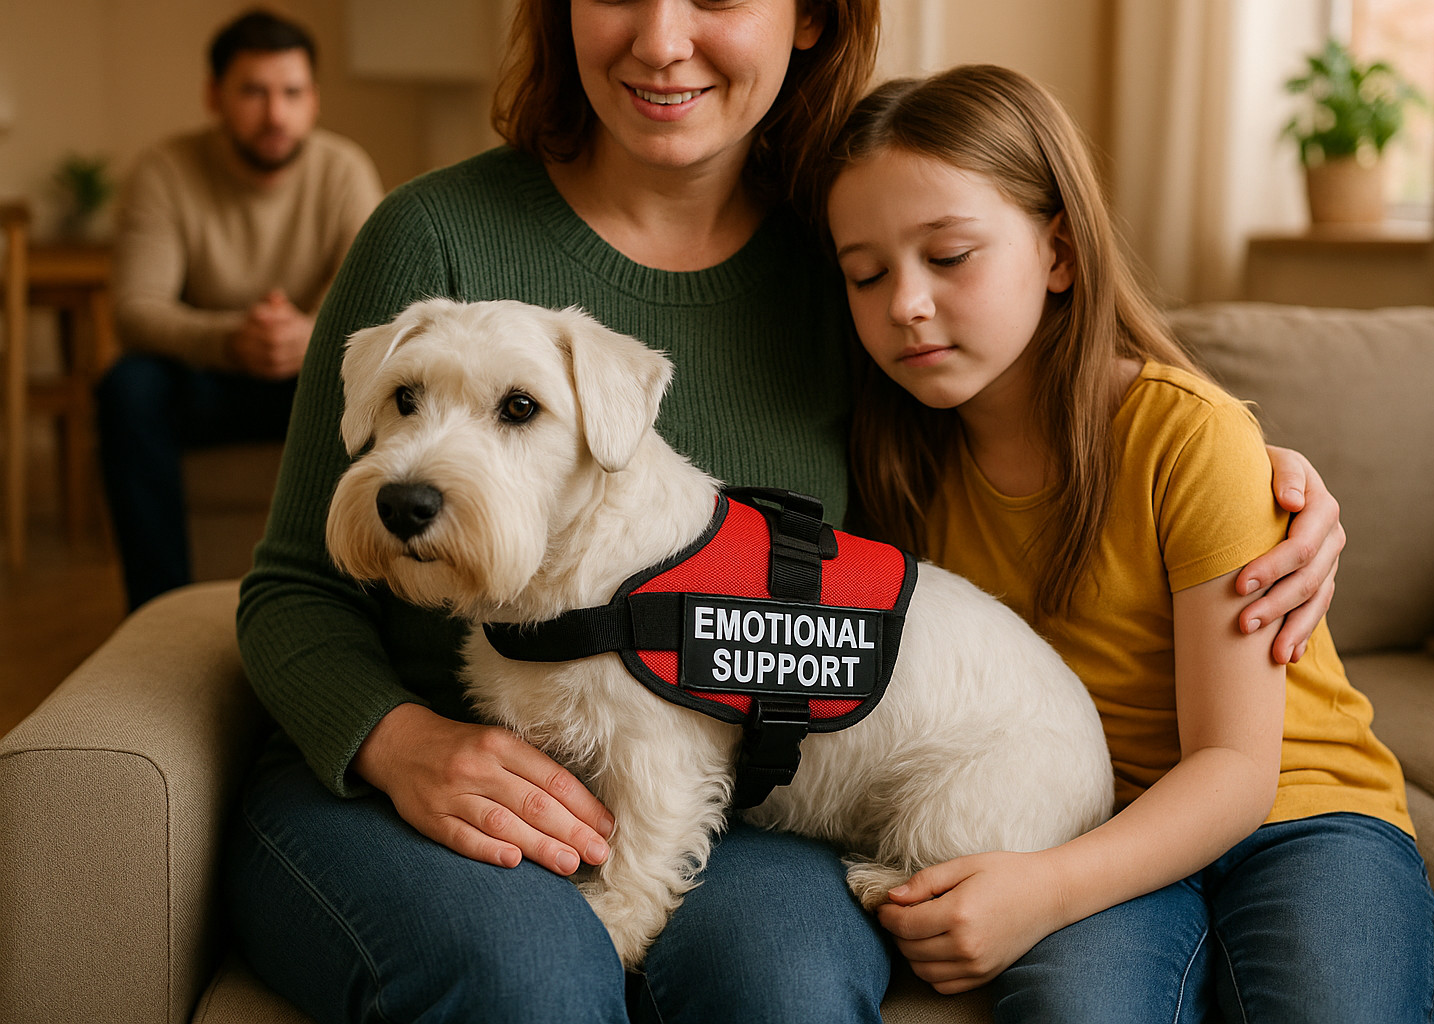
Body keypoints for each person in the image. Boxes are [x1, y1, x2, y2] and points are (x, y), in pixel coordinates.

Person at [227, 5, 1346, 1022]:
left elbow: (1018, 389)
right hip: (408, 761)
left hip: (717, 762)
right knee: (533, 981)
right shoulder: (429, 238)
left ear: (809, 16)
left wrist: (1249, 470)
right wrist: (399, 742)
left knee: (790, 989)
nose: (662, 39)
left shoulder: (849, 263)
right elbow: (288, 587)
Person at [822, 64, 1434, 1023]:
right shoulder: (901, 472)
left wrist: (1047, 889)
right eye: (866, 274)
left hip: (1300, 810)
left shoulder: (1183, 435)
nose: (905, 302)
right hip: (1098, 818)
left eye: (949, 256)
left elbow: (1238, 771)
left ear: (1059, 252)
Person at [100, 8, 382, 610]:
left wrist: (310, 335)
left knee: (385, 385)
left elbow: (376, 301)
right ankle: (157, 609)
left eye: (291, 92)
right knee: (128, 387)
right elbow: (135, 309)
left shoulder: (343, 169)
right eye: (253, 92)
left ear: (314, 99)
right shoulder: (164, 170)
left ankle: (349, 606)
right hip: (209, 378)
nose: (275, 113)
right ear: (214, 95)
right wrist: (232, 339)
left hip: (312, 379)